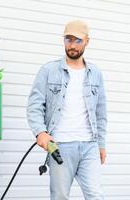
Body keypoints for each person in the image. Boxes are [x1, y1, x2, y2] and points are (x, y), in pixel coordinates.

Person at [27, 20, 107, 200]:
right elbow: (34, 105)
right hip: (60, 145)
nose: (72, 45)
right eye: (68, 39)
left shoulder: (95, 73)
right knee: (60, 196)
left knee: (96, 195)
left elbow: (101, 113)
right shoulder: (48, 70)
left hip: (89, 145)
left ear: (87, 41)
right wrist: (40, 132)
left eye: (77, 40)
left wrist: (100, 144)